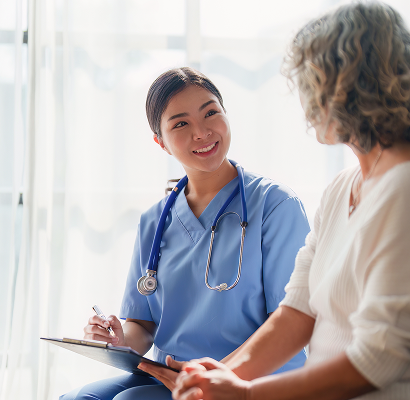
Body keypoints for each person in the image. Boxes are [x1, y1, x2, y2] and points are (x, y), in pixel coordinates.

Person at [172, 2, 410, 399]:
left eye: (312, 84)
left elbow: (379, 358)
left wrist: (247, 395)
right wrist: (214, 379)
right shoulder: (343, 187)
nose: (306, 102)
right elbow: (297, 313)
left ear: (353, 88)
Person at [60, 67, 310, 400]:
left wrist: (214, 375)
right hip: (170, 375)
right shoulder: (155, 220)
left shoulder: (276, 205)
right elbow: (143, 325)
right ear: (160, 142)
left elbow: (290, 319)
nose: (202, 132)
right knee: (79, 399)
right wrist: (118, 339)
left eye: (211, 113)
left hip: (250, 377)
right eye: (181, 123)